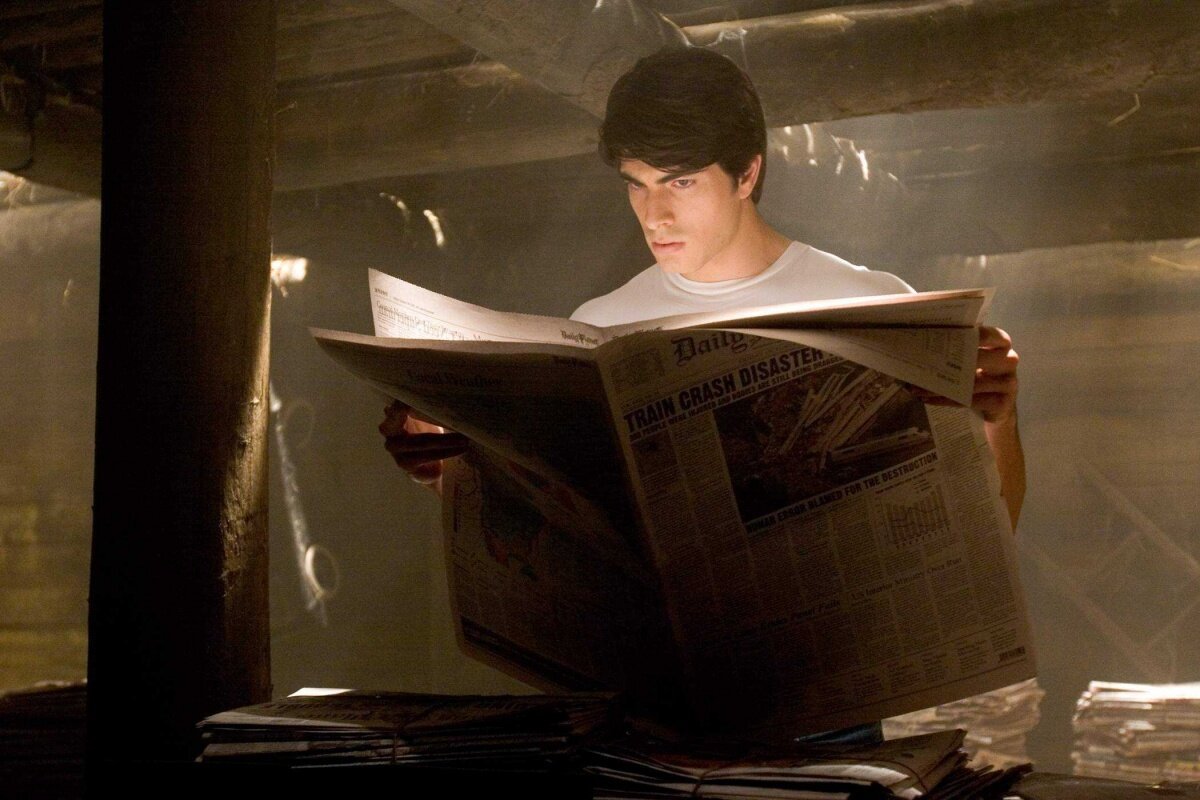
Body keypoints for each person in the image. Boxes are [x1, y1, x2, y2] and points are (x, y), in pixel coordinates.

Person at [381, 46, 1024, 529]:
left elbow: (993, 524)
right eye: (638, 185)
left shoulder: (875, 306)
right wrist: (448, 475)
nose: (654, 215)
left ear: (746, 175)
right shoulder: (597, 328)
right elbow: (564, 526)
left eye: (681, 182)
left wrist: (998, 418)